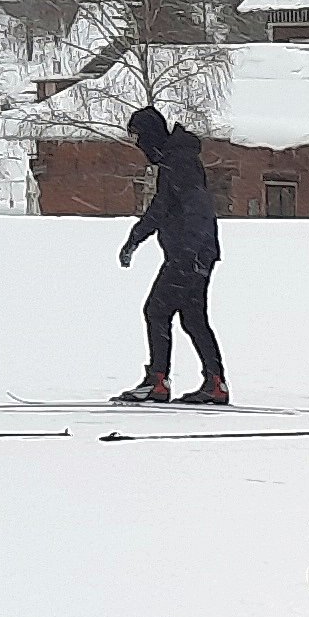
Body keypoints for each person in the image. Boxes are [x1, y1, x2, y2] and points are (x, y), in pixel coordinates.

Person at [113, 106, 226, 404]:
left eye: (138, 137)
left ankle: (158, 382)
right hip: (197, 253)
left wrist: (190, 253)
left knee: (156, 311)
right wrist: (135, 238)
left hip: (189, 255)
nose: (138, 145)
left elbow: (198, 208)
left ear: (150, 135)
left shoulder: (181, 163)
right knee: (193, 319)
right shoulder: (174, 161)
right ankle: (215, 384)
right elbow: (161, 208)